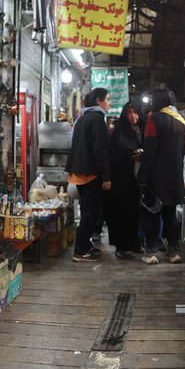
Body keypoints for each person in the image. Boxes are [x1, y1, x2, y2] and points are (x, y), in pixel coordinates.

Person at [137, 88, 185, 265]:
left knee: (152, 212)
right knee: (170, 214)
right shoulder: (181, 121)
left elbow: (150, 150)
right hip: (174, 177)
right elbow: (183, 152)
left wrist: (142, 176)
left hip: (156, 176)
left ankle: (151, 251)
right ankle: (173, 251)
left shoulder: (154, 119)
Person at [65, 88, 112, 262]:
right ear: (99, 101)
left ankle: (86, 244)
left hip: (79, 171)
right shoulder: (97, 119)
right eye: (107, 99)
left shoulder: (82, 118)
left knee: (88, 210)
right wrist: (107, 176)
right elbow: (100, 150)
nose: (109, 102)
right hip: (91, 173)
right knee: (90, 213)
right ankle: (80, 250)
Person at [103, 101, 144, 259]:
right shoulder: (119, 132)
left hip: (135, 181)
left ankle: (134, 243)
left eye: (135, 112)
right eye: (129, 113)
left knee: (134, 212)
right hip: (120, 180)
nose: (133, 116)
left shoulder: (142, 129)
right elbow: (114, 154)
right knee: (120, 212)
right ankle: (120, 246)